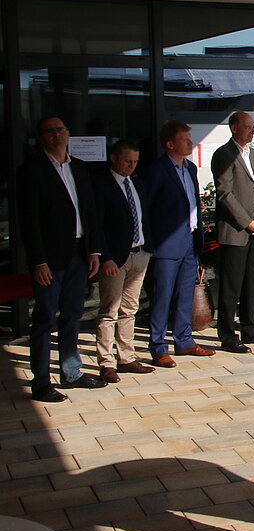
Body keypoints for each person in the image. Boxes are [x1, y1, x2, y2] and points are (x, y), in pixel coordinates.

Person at [17, 115, 106, 402]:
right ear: (41, 137)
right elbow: (28, 221)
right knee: (45, 319)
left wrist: (94, 251)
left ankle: (71, 372)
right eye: (50, 131)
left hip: (79, 254)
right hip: (50, 259)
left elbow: (89, 211)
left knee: (72, 315)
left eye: (61, 129)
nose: (57, 134)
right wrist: (38, 261)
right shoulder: (31, 170)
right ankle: (41, 382)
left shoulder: (79, 167)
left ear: (68, 133)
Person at [142, 121, 216, 368]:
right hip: (165, 244)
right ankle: (158, 346)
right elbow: (147, 209)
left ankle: (184, 340)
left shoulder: (190, 168)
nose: (190, 143)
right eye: (185, 139)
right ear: (170, 144)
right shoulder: (157, 171)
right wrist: (150, 242)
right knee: (162, 297)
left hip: (189, 241)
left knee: (185, 294)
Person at [94, 140, 156, 381]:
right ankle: (106, 362)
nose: (131, 166)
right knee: (109, 310)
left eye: (135, 162)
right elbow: (97, 224)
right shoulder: (102, 185)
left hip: (140, 254)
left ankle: (126, 357)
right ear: (113, 158)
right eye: (127, 161)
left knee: (130, 308)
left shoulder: (137, 184)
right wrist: (105, 257)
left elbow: (145, 217)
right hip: (115, 258)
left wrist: (149, 248)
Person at [211, 111, 254, 351]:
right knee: (231, 286)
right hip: (237, 229)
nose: (252, 131)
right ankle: (227, 335)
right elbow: (224, 193)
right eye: (248, 127)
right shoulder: (224, 154)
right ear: (234, 128)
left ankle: (250, 328)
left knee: (252, 283)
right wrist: (247, 222)